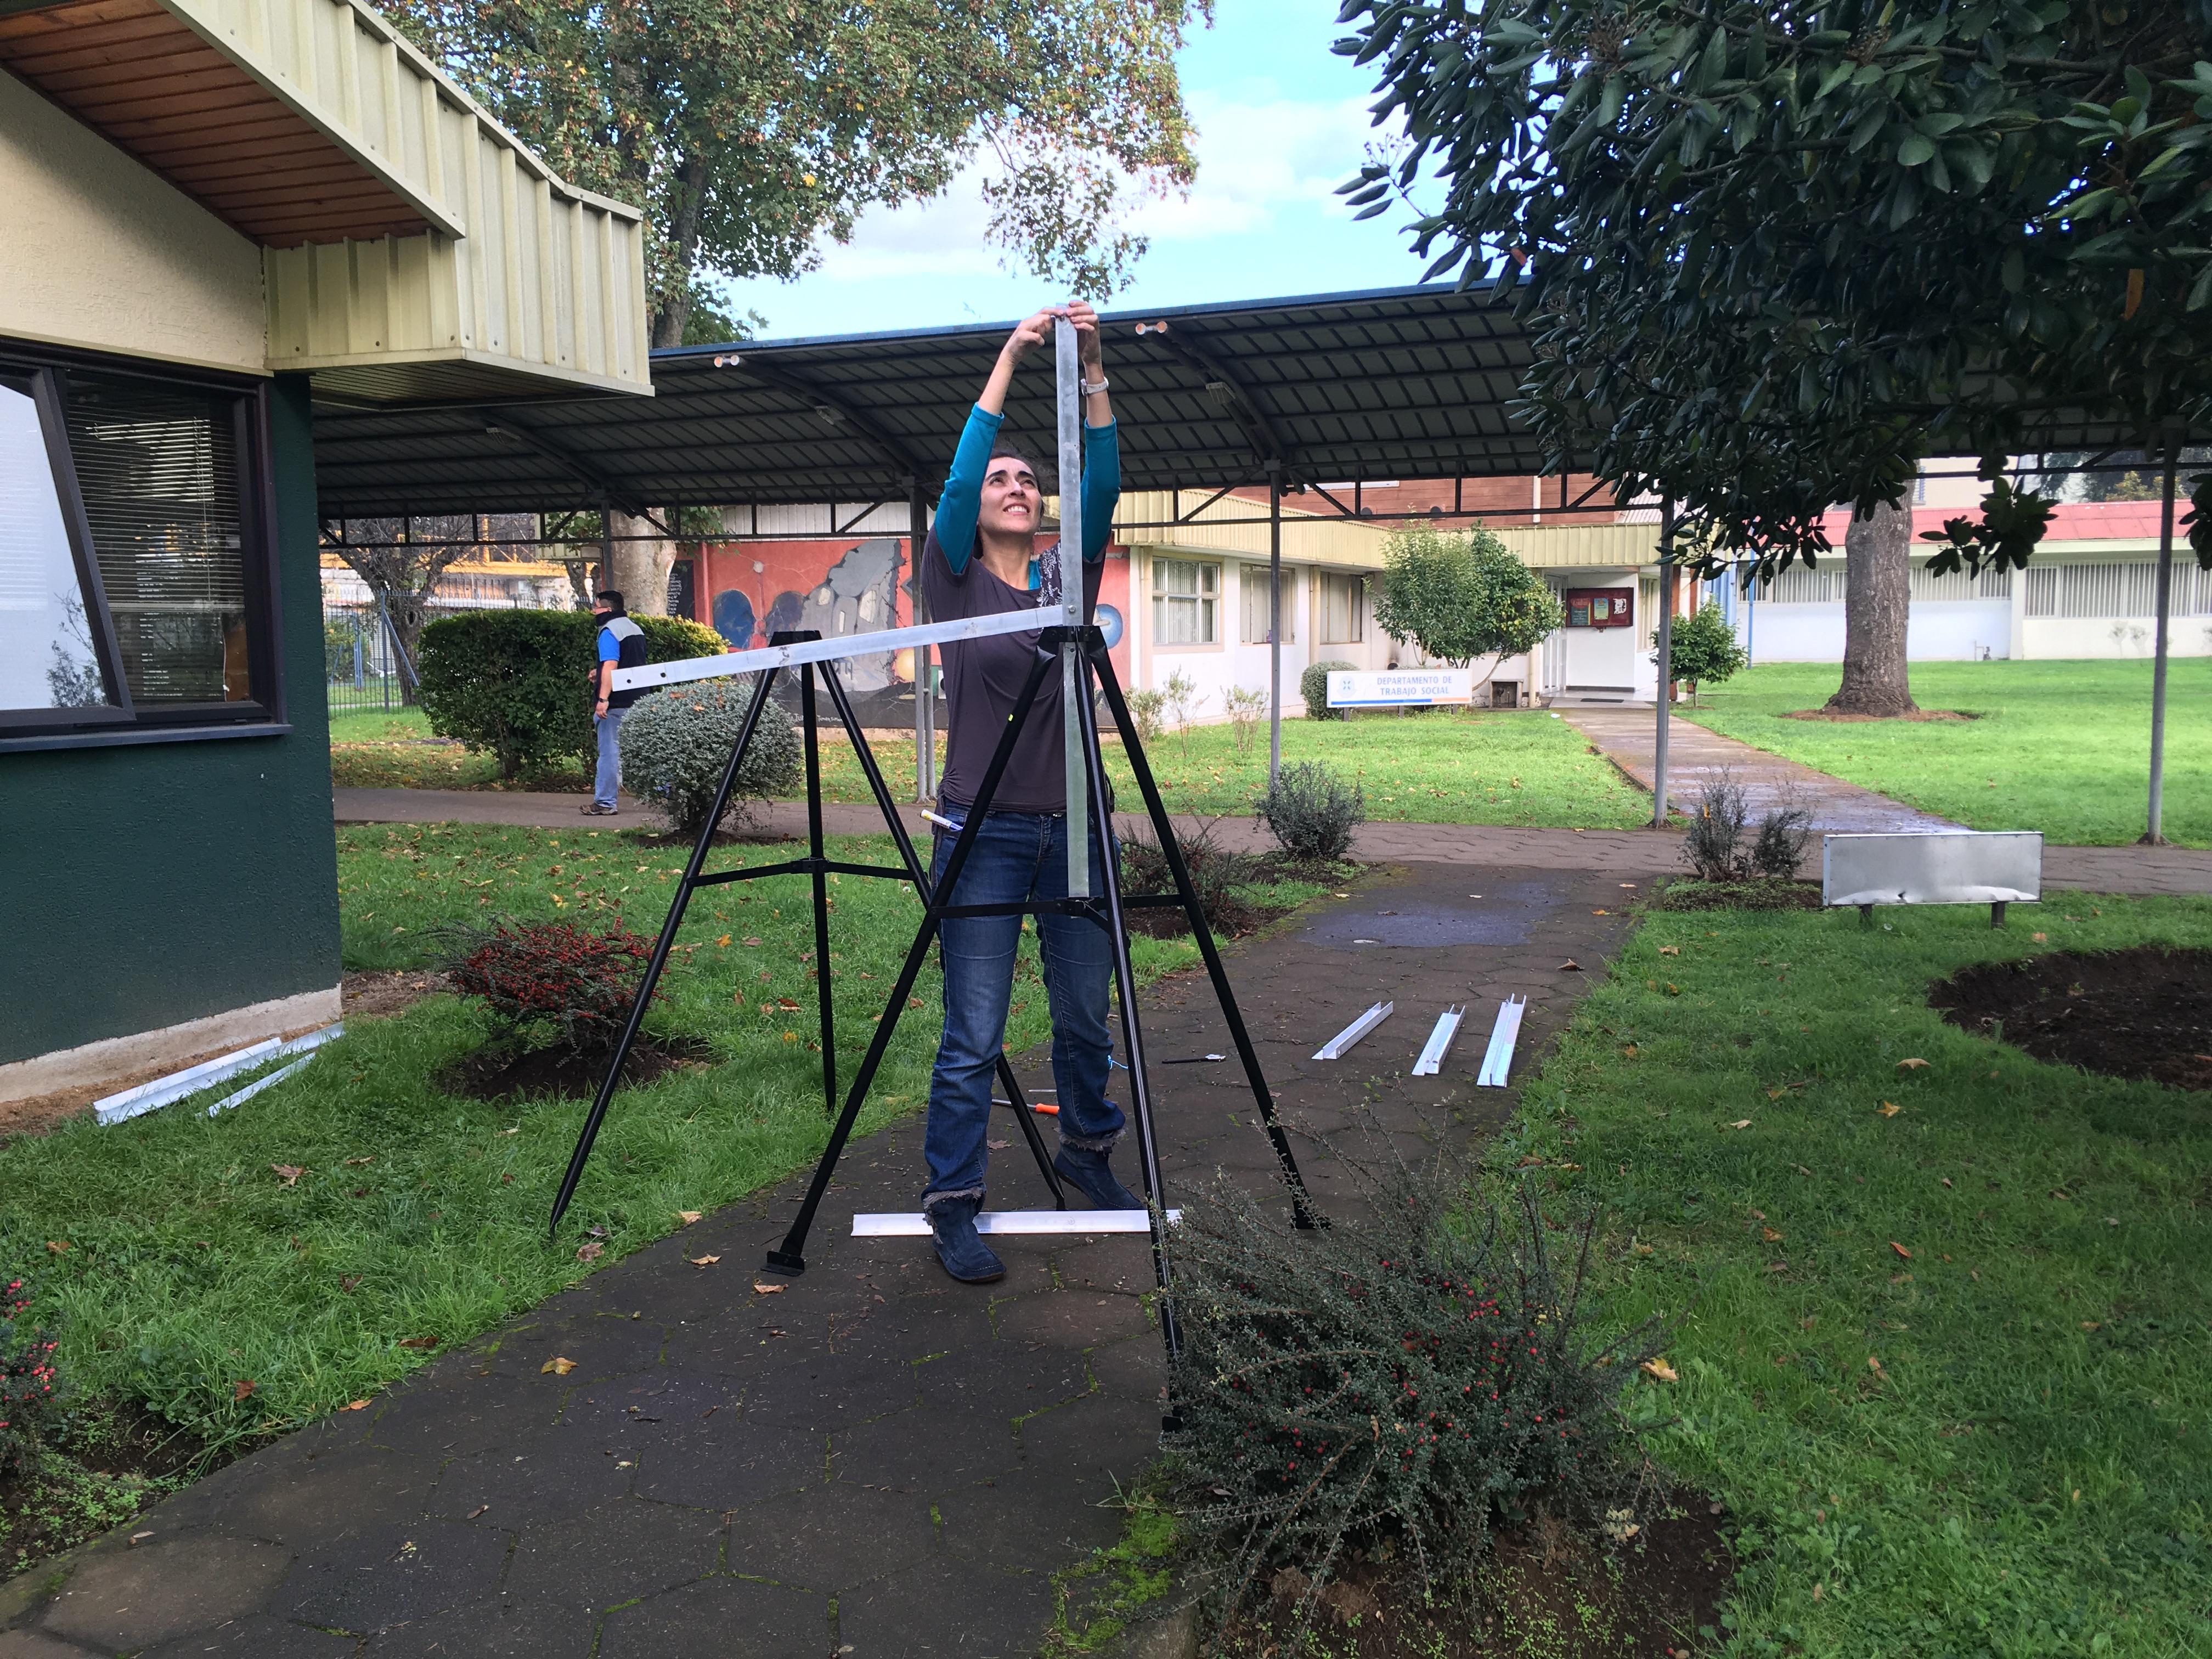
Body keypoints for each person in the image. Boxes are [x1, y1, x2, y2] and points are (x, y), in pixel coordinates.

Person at [917, 300, 1133, 1284]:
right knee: (974, 1032)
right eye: (1002, 477)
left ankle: (1086, 1154)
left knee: (1087, 1015)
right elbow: (958, 478)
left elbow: (1108, 477)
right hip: (983, 833)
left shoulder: (1067, 580)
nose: (1013, 486)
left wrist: (1090, 365)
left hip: (1078, 829)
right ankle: (954, 1200)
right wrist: (1010, 355)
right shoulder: (955, 579)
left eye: (1028, 479)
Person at [585, 589, 646, 816]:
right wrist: (598, 672)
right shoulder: (634, 628)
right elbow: (628, 663)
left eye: (596, 607)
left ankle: (605, 802)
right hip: (638, 697)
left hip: (617, 702)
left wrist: (603, 699)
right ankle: (669, 792)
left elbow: (611, 664)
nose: (594, 611)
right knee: (642, 750)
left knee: (610, 753)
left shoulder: (609, 631)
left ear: (608, 610)